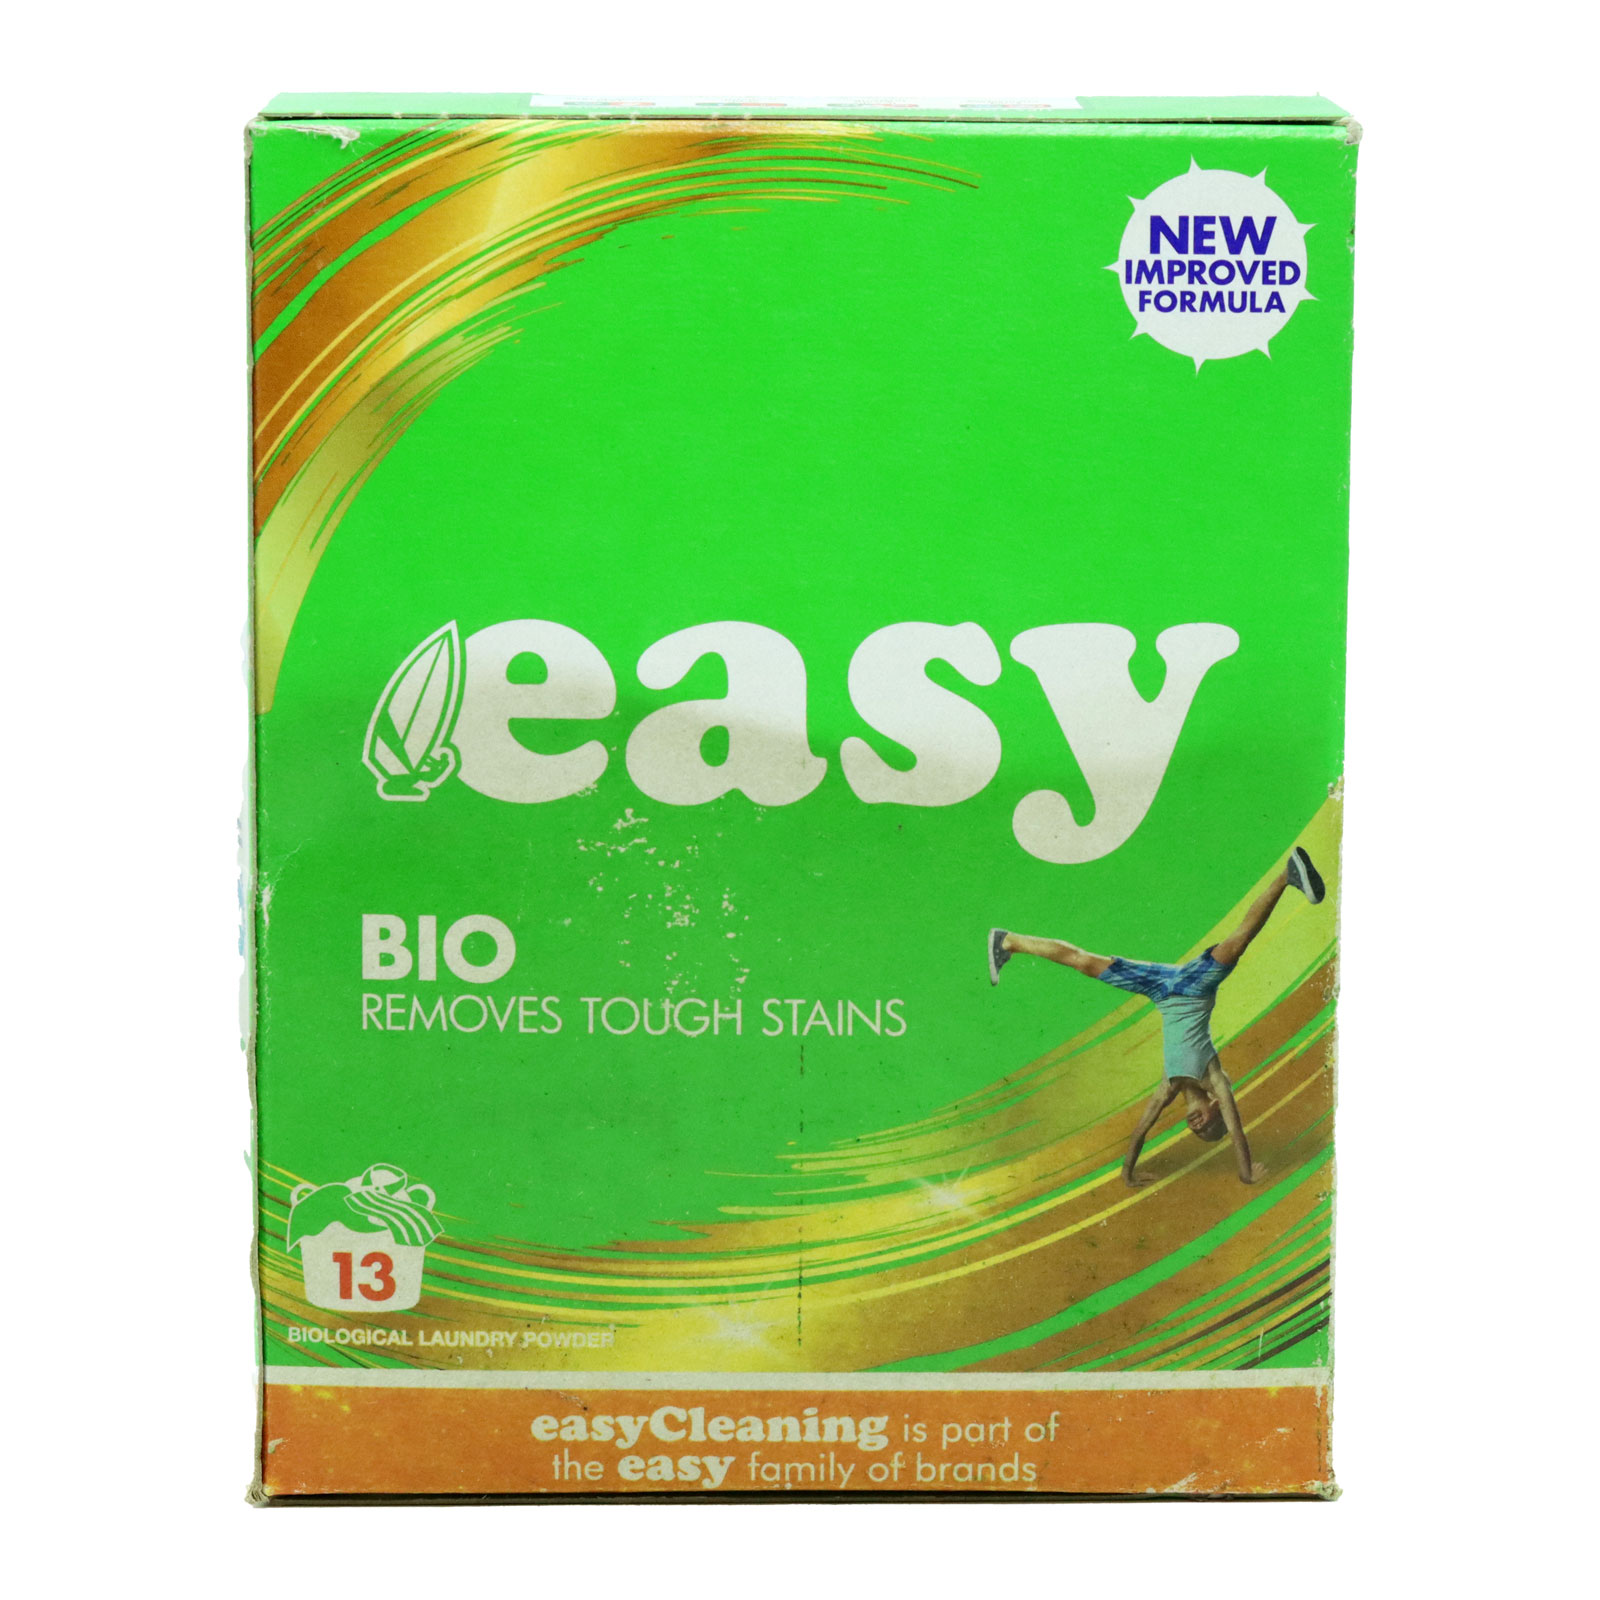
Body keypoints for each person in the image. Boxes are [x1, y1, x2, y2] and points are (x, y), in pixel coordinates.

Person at [987, 847, 1325, 1188]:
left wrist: (1128, 1175)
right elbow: (1237, 1130)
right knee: (1239, 941)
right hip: (1193, 987)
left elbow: (1140, 1132)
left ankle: (1009, 941)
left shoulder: (1168, 1086)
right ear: (1215, 1106)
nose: (1199, 1126)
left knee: (1084, 962)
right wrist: (1245, 1172)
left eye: (1198, 1132)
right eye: (1210, 1125)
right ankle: (1286, 875)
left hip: (1161, 989)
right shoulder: (1215, 1080)